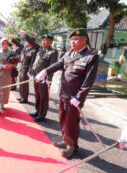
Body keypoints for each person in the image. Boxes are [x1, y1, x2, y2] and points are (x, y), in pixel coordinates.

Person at [35, 28, 99, 158]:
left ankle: (72, 146)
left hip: (74, 96)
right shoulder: (68, 54)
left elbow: (88, 81)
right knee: (63, 118)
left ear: (84, 40)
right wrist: (45, 71)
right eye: (72, 40)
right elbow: (58, 64)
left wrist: (79, 97)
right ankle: (65, 140)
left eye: (76, 39)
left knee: (72, 121)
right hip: (63, 92)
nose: (73, 42)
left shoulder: (91, 57)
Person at [23, 33, 58, 122]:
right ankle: (37, 111)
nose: (44, 41)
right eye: (43, 40)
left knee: (43, 97)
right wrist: (26, 36)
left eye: (46, 40)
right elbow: (34, 60)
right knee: (37, 94)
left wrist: (49, 79)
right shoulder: (39, 49)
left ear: (51, 42)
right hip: (36, 76)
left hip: (44, 79)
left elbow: (52, 66)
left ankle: (42, 114)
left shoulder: (53, 52)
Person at [0, 38, 22, 114]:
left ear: (8, 44)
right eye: (3, 43)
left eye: (6, 43)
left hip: (9, 73)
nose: (5, 45)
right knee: (0, 90)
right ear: (1, 44)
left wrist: (11, 65)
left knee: (7, 90)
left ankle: (3, 103)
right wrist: (2, 66)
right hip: (0, 73)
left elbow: (15, 61)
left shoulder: (11, 52)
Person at [12, 35, 35, 103]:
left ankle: (25, 98)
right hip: (21, 67)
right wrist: (11, 39)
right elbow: (18, 44)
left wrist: (30, 70)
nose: (27, 43)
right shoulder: (25, 48)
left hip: (26, 68)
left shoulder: (33, 50)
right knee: (21, 83)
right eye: (27, 41)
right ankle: (21, 96)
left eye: (29, 41)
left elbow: (32, 61)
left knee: (24, 84)